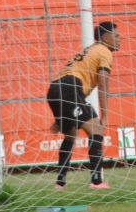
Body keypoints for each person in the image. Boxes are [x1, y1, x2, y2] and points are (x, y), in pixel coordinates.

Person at [47, 21, 119, 189]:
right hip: (70, 89)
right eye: (116, 36)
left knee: (70, 135)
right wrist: (105, 114)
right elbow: (102, 84)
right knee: (97, 130)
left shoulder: (90, 50)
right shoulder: (104, 51)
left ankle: (60, 183)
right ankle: (96, 181)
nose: (119, 39)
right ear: (105, 37)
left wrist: (60, 115)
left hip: (54, 90)